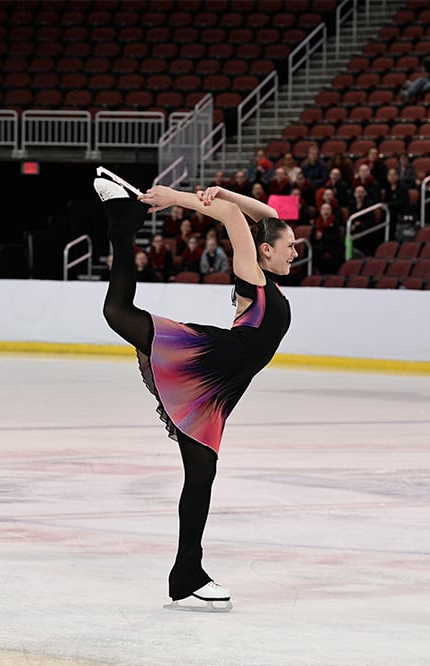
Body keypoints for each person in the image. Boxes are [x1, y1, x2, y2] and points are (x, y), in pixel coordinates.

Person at [94, 166, 296, 611]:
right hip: (211, 359)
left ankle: (187, 573)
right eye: (289, 247)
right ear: (265, 251)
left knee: (201, 474)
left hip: (220, 387)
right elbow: (232, 218)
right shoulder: (254, 278)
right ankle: (121, 220)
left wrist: (227, 191)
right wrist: (174, 196)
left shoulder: (268, 277)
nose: (295, 252)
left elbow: (262, 213)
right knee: (118, 313)